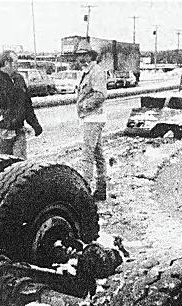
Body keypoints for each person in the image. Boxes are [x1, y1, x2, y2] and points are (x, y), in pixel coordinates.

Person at [0, 50, 42, 159]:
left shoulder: (19, 79)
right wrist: (7, 117)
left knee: (21, 163)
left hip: (19, 129)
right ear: (7, 63)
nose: (17, 65)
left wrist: (35, 125)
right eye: (15, 62)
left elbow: (27, 104)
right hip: (2, 131)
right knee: (4, 162)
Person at [76, 49, 108, 201]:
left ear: (91, 56)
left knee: (87, 155)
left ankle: (85, 193)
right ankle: (101, 188)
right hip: (91, 118)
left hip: (93, 118)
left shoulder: (96, 71)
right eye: (79, 56)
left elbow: (101, 94)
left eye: (84, 55)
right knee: (98, 154)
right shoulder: (87, 72)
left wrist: (84, 106)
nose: (81, 58)